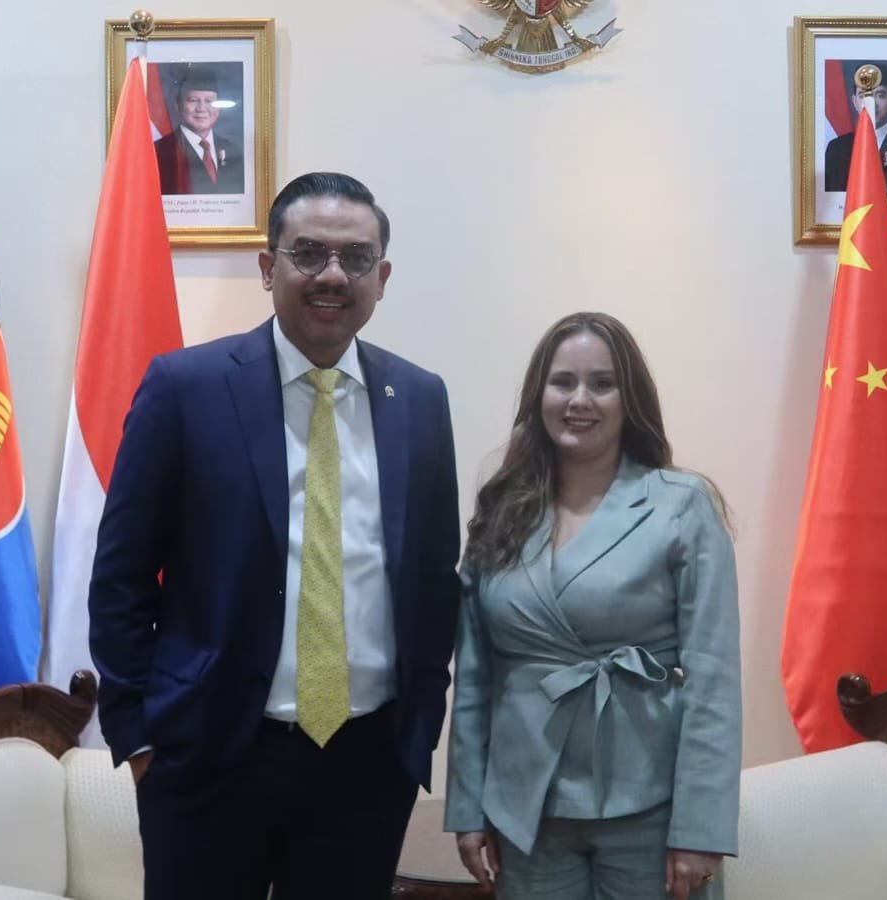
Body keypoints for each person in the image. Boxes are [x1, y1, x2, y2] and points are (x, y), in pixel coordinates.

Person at [89, 172, 461, 900]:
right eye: (308, 252)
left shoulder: (419, 398)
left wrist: (419, 725)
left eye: (356, 258)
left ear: (382, 278)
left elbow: (432, 576)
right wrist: (138, 735)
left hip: (367, 764)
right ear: (268, 267)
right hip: (211, 757)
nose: (333, 275)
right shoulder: (186, 388)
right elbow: (121, 577)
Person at [444, 311, 741, 900]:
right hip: (526, 809)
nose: (580, 400)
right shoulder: (503, 507)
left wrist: (700, 828)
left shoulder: (682, 505)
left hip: (650, 805)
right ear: (539, 395)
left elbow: (714, 681)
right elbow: (475, 677)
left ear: (630, 399)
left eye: (602, 384)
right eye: (563, 382)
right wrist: (468, 805)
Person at [823, 62, 887, 193]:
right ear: (855, 101)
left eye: (880, 95)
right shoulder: (836, 149)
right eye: (863, 96)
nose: (871, 103)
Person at [154, 67, 245, 195]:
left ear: (218, 108)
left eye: (209, 101)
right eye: (193, 100)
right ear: (178, 106)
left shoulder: (233, 151)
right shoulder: (158, 152)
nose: (201, 109)